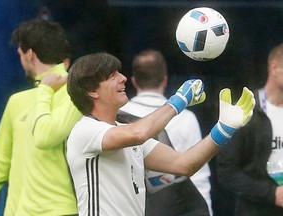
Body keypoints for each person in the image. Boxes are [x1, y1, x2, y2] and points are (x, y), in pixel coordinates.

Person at [66, 52, 255, 216]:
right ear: (91, 91)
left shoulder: (127, 134)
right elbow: (139, 132)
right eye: (111, 76)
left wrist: (223, 129)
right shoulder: (85, 130)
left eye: (119, 72)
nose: (123, 77)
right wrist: (179, 101)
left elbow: (184, 164)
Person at [0, 18, 82, 215]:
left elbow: (48, 135)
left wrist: (45, 90)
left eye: (20, 54)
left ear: (30, 54)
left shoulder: (77, 91)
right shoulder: (16, 101)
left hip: (60, 210)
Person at [118, 49, 212, 215]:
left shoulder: (118, 115)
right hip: (180, 207)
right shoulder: (186, 117)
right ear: (165, 80)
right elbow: (199, 175)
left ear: (133, 81)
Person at [216, 43, 283, 216]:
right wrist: (270, 193)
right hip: (256, 210)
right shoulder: (247, 111)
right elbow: (226, 171)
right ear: (275, 68)